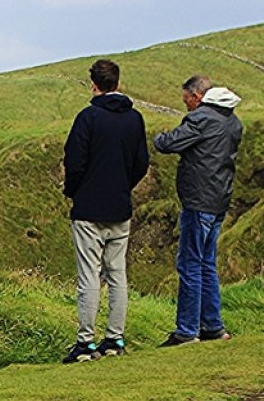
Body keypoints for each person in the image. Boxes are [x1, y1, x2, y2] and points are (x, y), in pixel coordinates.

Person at [60, 58, 149, 363]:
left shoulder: (88, 118)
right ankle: (115, 339)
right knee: (117, 275)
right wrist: (124, 186)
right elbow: (141, 163)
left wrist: (74, 192)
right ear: (117, 83)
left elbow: (74, 163)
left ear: (94, 84)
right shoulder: (134, 119)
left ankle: (86, 343)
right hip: (119, 207)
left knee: (89, 276)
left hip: (89, 209)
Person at [153, 74, 243, 346]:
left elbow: (169, 143)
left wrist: (158, 137)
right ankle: (212, 326)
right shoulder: (232, 120)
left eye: (187, 101)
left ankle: (187, 330)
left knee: (190, 264)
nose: (187, 107)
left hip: (198, 201)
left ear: (197, 96)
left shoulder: (202, 118)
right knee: (206, 264)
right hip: (219, 199)